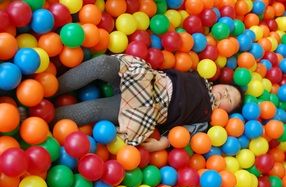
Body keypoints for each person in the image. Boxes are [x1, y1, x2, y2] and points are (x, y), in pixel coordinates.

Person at [54, 54, 242, 152]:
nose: (224, 96)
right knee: (103, 63)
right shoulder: (200, 77)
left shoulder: (204, 118)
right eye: (226, 90)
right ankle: (53, 86)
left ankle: (47, 116)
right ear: (218, 84)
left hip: (145, 108)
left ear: (226, 113)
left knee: (93, 110)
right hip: (144, 79)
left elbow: (183, 133)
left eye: (230, 100)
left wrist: (163, 143)